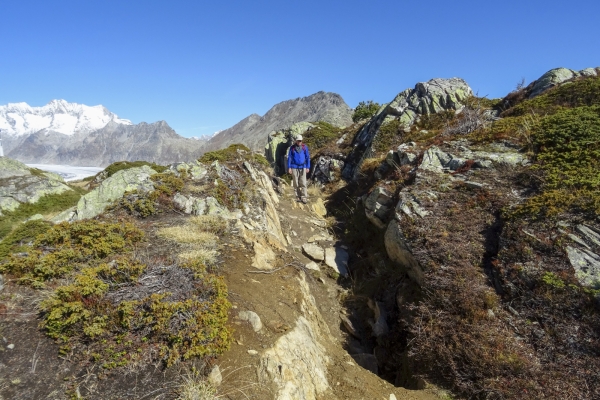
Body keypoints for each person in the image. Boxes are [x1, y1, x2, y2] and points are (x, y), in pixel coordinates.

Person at [287, 134, 310, 203]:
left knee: (303, 182)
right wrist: (289, 167)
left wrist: (308, 167)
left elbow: (307, 157)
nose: (299, 142)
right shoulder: (292, 148)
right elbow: (289, 158)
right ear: (296, 141)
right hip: (294, 166)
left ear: (302, 141)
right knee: (295, 182)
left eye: (300, 140)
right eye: (298, 140)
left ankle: (304, 197)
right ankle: (297, 196)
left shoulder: (304, 147)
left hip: (303, 166)